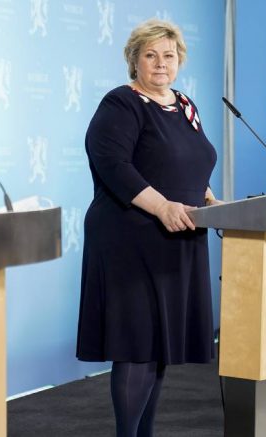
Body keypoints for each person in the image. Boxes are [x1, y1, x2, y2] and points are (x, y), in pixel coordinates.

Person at [76, 19, 219, 437]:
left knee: (157, 349)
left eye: (169, 56)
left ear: (180, 61)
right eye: (150, 55)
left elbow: (188, 162)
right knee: (137, 346)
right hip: (131, 238)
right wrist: (161, 206)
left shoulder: (185, 105)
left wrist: (213, 201)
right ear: (134, 61)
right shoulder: (121, 104)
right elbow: (114, 165)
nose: (161, 64)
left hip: (179, 237)